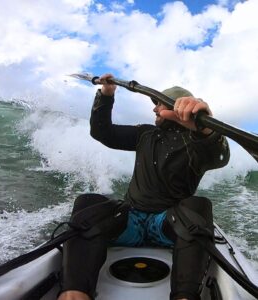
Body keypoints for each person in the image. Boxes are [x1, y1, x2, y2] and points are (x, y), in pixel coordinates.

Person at [58, 74, 230, 300]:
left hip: (169, 226)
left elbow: (219, 155)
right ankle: (74, 294)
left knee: (198, 206)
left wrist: (206, 129)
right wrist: (106, 95)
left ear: (175, 107)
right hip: (130, 221)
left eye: (159, 104)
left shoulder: (196, 143)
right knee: (87, 202)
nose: (155, 110)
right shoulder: (145, 134)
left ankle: (184, 296)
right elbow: (102, 132)